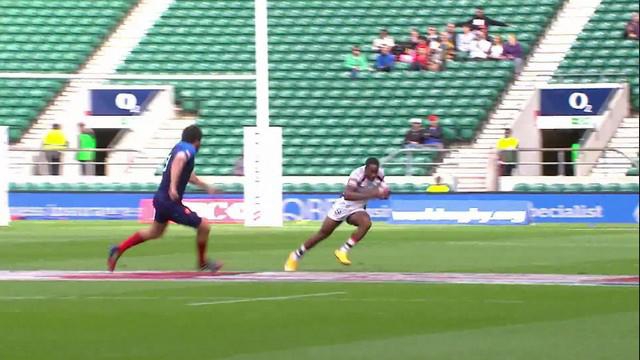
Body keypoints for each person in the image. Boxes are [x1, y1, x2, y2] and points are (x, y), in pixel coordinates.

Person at [107, 125, 222, 272]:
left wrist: (206, 187)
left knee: (155, 232)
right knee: (204, 226)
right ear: (197, 141)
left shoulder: (178, 147)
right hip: (169, 201)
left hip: (161, 199)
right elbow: (179, 161)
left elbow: (188, 175)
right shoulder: (189, 149)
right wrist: (173, 187)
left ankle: (118, 249)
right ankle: (202, 263)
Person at [284, 158, 388, 271]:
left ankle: (343, 250)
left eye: (375, 171)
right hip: (344, 206)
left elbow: (385, 191)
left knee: (366, 223)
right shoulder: (357, 174)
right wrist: (371, 194)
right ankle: (295, 256)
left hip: (357, 208)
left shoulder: (380, 174)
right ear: (365, 169)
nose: (373, 175)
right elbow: (348, 194)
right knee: (323, 233)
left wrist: (384, 194)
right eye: (371, 172)